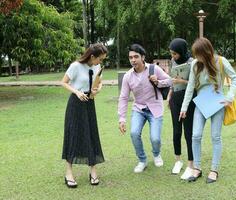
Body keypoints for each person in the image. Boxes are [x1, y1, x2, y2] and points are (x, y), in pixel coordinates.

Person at [179, 37, 236, 183]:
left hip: (218, 103)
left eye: (199, 54)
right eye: (195, 54)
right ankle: (197, 168)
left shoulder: (221, 61)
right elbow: (190, 86)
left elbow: (234, 78)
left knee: (215, 137)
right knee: (196, 135)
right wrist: (184, 107)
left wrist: (229, 97)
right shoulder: (195, 64)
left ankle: (214, 170)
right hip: (201, 104)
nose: (197, 57)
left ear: (207, 52)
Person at [118, 44, 172, 173]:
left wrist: (158, 82)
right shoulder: (128, 76)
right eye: (131, 57)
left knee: (155, 138)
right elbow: (124, 97)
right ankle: (142, 160)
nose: (133, 60)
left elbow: (170, 81)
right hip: (139, 109)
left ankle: (156, 154)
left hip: (155, 108)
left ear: (143, 57)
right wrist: (122, 118)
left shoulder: (154, 69)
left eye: (136, 57)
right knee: (134, 133)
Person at [61, 43, 107, 188]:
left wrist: (97, 90)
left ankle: (93, 170)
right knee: (73, 135)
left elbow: (99, 83)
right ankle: (68, 172)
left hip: (89, 104)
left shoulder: (97, 67)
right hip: (76, 104)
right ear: (92, 56)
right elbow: (63, 83)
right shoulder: (75, 66)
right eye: (99, 59)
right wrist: (76, 92)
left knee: (91, 135)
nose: (100, 62)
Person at [167, 38, 196, 180]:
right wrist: (169, 95)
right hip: (175, 99)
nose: (173, 57)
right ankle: (178, 160)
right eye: (172, 54)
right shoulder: (172, 62)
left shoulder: (192, 63)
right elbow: (172, 80)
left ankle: (191, 163)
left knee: (188, 132)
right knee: (176, 131)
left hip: (189, 100)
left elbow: (196, 84)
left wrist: (182, 81)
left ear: (182, 51)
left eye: (175, 54)